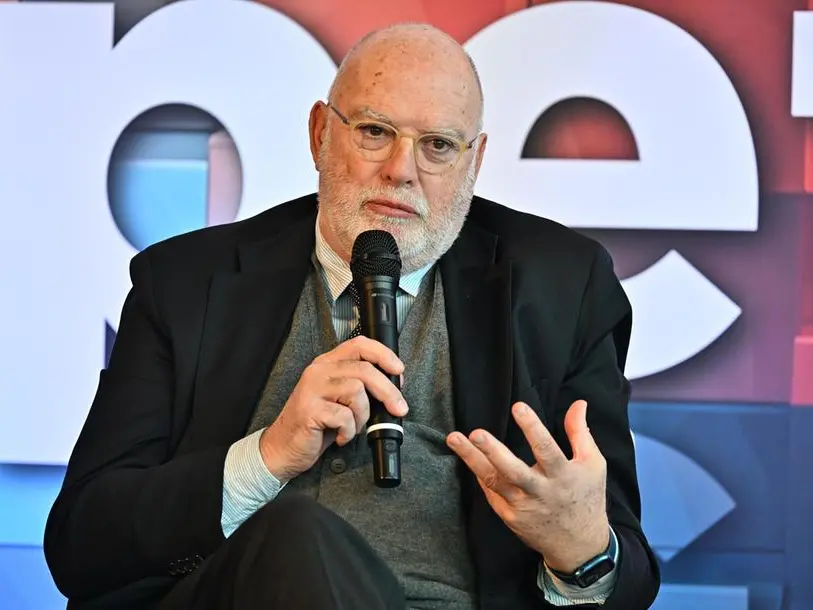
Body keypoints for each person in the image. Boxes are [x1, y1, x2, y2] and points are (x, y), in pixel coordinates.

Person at [44, 23, 659, 610]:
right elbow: (82, 541)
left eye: (438, 146)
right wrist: (267, 456)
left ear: (474, 163)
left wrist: (580, 552)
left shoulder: (562, 287)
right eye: (374, 131)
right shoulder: (186, 283)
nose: (400, 170)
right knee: (297, 535)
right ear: (320, 133)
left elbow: (627, 576)